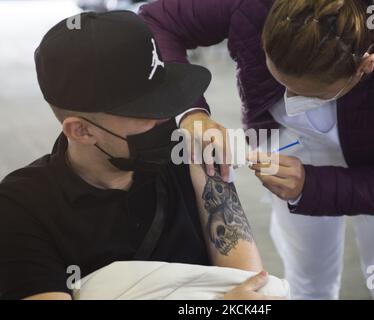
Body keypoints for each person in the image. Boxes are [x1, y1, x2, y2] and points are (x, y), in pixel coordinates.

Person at [139, 0, 374, 299]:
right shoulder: (252, 4)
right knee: (307, 276)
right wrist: (191, 112)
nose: (288, 100)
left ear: (365, 66)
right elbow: (157, 20)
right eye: (278, 79)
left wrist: (312, 186)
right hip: (292, 148)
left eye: (305, 93)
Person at [0, 11, 280, 300]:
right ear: (82, 131)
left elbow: (252, 286)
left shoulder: (190, 151)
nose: (167, 118)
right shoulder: (20, 208)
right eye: (148, 110)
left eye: (168, 96)